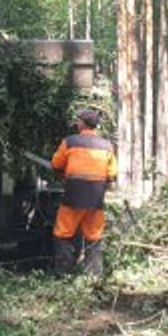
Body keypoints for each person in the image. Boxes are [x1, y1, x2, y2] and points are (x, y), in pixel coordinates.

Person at [50, 108, 117, 277]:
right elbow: (112, 174)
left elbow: (56, 164)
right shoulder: (107, 146)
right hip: (95, 199)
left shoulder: (70, 142)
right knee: (93, 235)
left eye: (78, 120)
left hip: (73, 196)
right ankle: (93, 276)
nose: (77, 123)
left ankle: (63, 274)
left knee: (63, 232)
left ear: (82, 123)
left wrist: (63, 174)